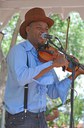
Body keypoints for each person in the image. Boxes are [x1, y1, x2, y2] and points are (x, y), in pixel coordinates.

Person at [4, 7, 84, 128]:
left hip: (40, 118)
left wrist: (75, 74)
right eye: (39, 28)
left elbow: (53, 92)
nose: (44, 32)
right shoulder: (19, 51)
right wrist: (53, 64)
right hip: (21, 119)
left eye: (46, 29)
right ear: (28, 29)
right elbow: (22, 77)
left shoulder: (45, 56)